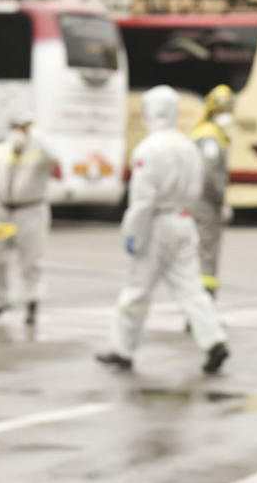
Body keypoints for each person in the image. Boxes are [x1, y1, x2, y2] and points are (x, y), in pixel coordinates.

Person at [95, 85, 230, 374]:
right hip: (184, 221)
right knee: (192, 288)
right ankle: (214, 340)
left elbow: (143, 201)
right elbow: (196, 189)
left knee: (136, 291)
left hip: (157, 224)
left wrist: (133, 233)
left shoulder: (149, 149)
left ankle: (122, 349)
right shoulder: (188, 145)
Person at [0, 113, 58, 328]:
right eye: (15, 127)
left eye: (23, 128)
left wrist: (36, 136)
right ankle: (1, 299)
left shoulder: (40, 152)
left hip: (31, 211)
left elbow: (55, 157)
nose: (19, 132)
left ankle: (32, 302)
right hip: (3, 211)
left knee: (31, 261)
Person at [189, 84, 235, 299]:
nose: (226, 115)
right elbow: (210, 174)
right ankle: (204, 309)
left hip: (196, 202)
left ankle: (199, 311)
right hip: (206, 205)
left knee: (198, 253)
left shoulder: (204, 132)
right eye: (222, 110)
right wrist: (221, 201)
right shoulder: (210, 137)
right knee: (207, 255)